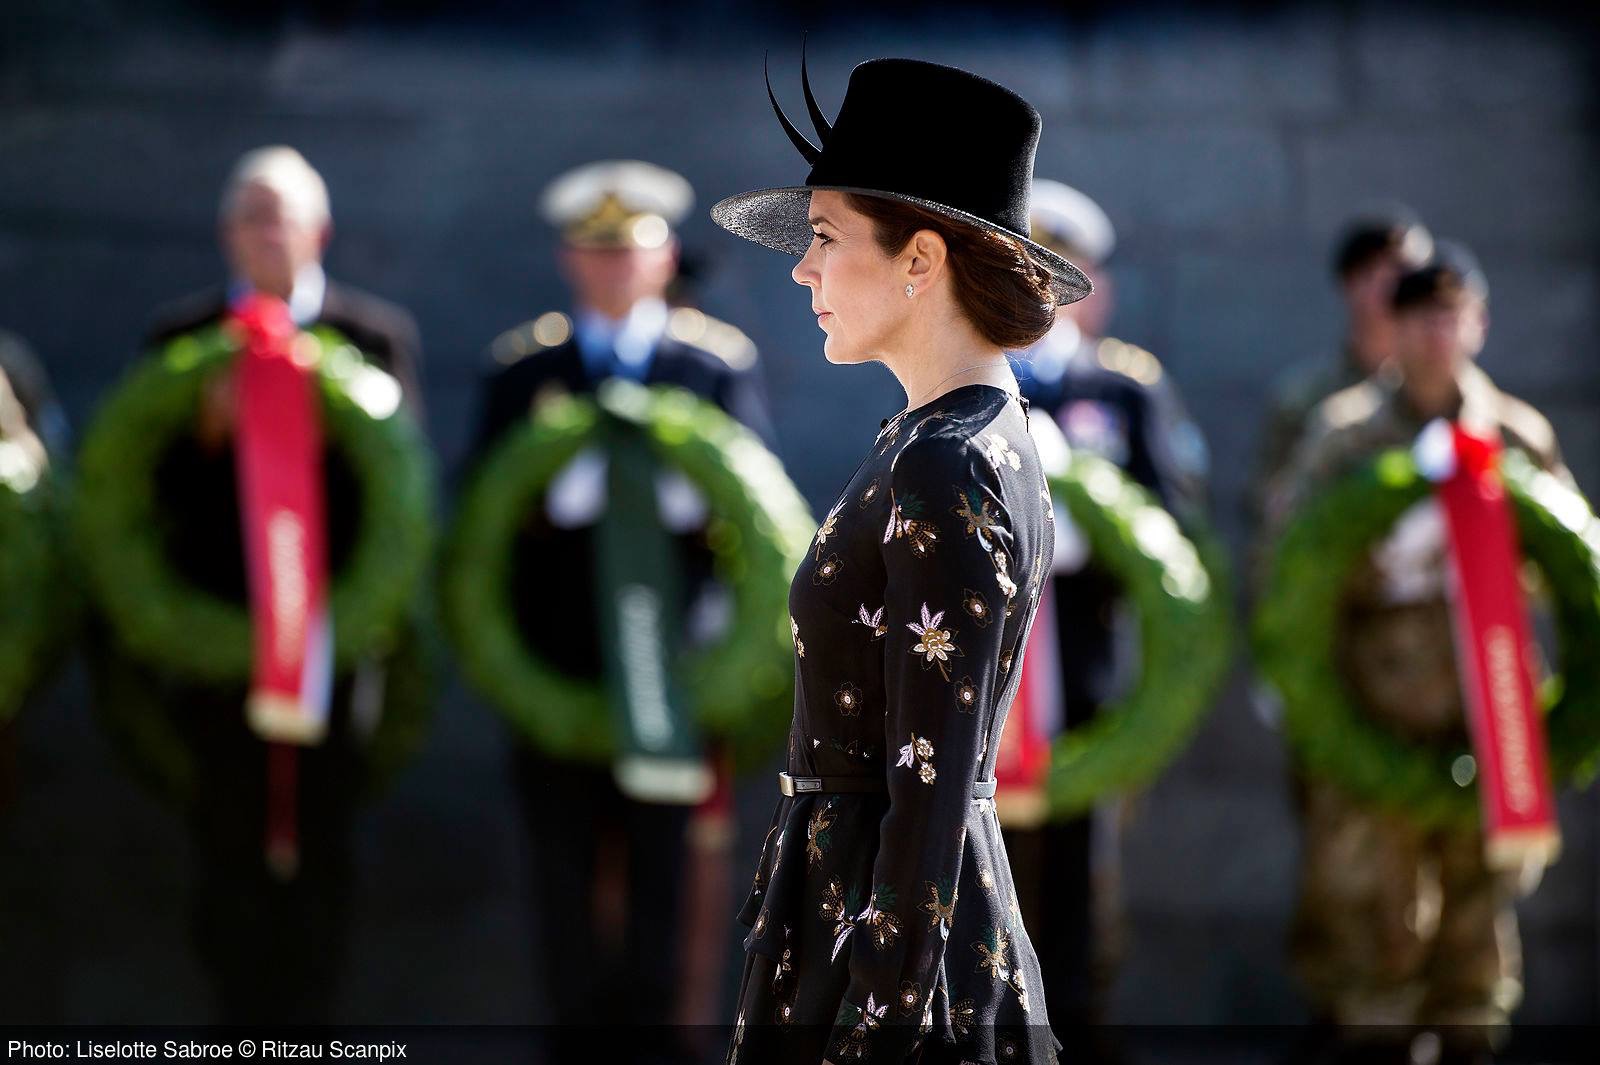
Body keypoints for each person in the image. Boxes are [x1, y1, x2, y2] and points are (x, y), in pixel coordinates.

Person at [710, 55, 1088, 1063]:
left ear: (919, 261)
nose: (802, 268)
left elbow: (928, 788)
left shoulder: (945, 461)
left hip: (887, 959)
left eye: (826, 239)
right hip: (879, 930)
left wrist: (873, 1020)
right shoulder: (953, 436)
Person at [95, 145, 427, 1023]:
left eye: (278, 213)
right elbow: (141, 495)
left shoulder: (375, 337)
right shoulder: (181, 339)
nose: (264, 230)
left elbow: (406, 496)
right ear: (224, 234)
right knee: (225, 850)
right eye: (248, 213)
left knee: (325, 849)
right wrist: (205, 437)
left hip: (336, 643)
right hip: (218, 640)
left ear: (317, 229)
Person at [466, 159, 776, 1048]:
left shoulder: (712, 366)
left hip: (675, 676)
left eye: (630, 250)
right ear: (571, 259)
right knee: (562, 890)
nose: (612, 268)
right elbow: (481, 513)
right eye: (595, 252)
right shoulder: (524, 370)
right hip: (557, 669)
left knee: (665, 888)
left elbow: (761, 519)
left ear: (663, 255)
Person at [1267, 243, 1570, 1065]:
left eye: (1453, 315)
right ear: (1391, 328)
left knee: (1478, 929)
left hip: (1489, 716)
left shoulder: (1515, 433)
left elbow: (1569, 566)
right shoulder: (1345, 436)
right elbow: (1293, 568)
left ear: (1479, 323)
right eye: (1420, 318)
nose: (1438, 335)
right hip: (1374, 711)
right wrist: (1388, 558)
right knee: (1373, 926)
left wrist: (1488, 554)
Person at [1003, 178, 1209, 1045]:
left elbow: (1174, 527)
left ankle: (1081, 1029)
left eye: (1066, 273)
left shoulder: (1124, 391)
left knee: (1085, 886)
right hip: (985, 679)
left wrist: (1087, 515)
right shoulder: (960, 379)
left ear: (1097, 287)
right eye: (1028, 269)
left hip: (1089, 676)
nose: (1046, 293)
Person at [1252, 207, 1432, 522]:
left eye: (1404, 273)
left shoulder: (1442, 394)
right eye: (1374, 272)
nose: (1391, 288)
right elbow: (1271, 505)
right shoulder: (1303, 397)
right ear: (1349, 283)